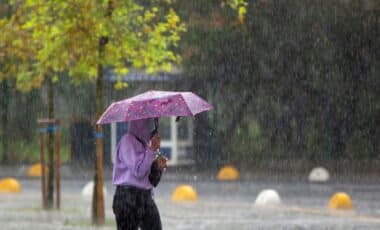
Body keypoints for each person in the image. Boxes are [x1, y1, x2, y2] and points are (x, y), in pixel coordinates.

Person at [112, 118, 167, 230]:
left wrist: (158, 167)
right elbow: (138, 171)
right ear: (141, 123)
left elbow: (152, 181)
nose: (153, 126)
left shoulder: (147, 144)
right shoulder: (127, 141)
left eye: (155, 122)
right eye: (150, 122)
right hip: (127, 198)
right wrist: (151, 150)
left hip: (145, 197)